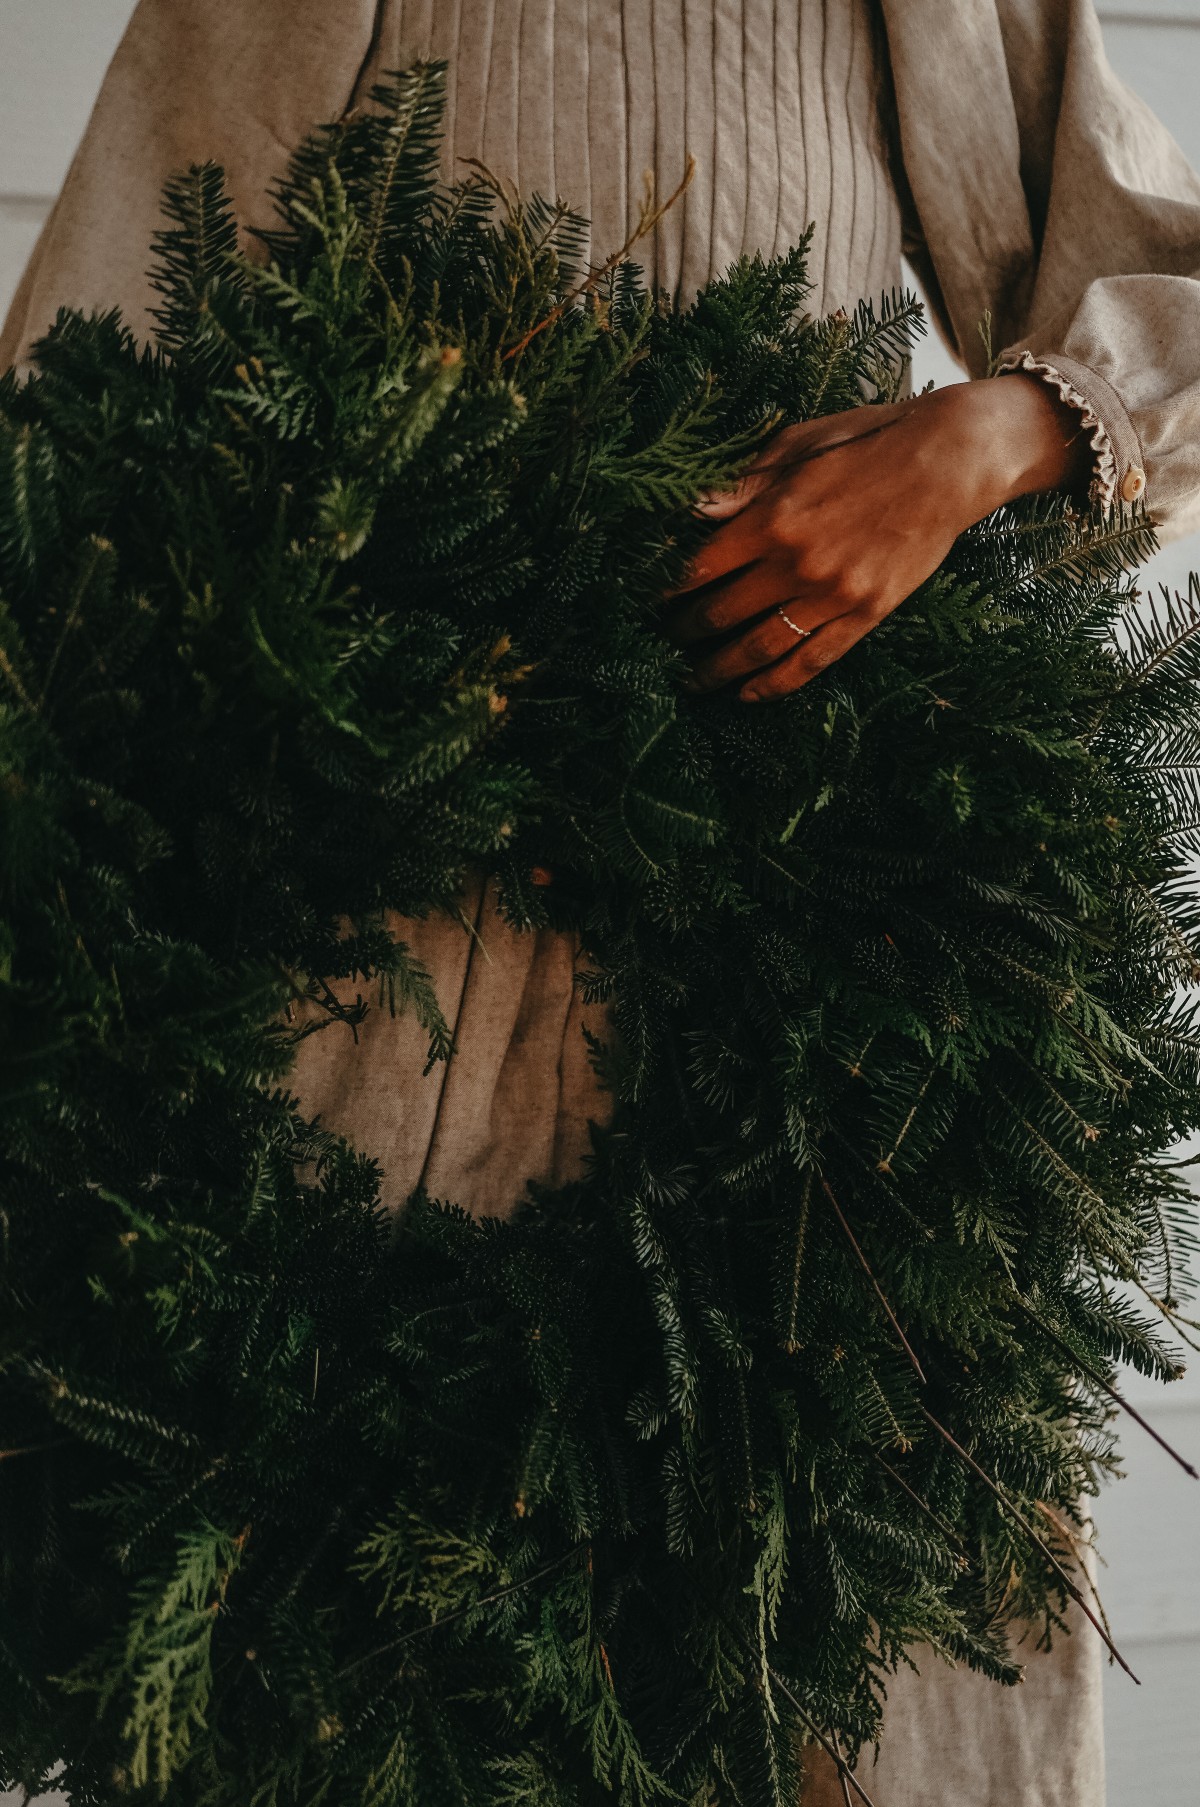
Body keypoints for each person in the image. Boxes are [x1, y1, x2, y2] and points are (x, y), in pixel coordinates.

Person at [6, 4, 1200, 1801]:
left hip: (813, 1000)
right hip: (392, 999)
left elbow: (1162, 278)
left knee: (849, 1662)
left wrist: (976, 443)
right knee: (389, 1658)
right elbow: (94, 429)